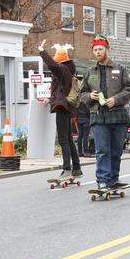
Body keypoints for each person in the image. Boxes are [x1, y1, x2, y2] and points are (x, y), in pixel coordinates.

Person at [78, 34, 130, 191]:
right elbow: (82, 93)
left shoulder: (120, 68)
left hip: (118, 115)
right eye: (95, 50)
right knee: (102, 150)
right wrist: (90, 96)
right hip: (98, 116)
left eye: (100, 49)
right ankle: (102, 180)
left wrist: (116, 99)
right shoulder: (89, 72)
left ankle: (113, 180)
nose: (97, 52)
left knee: (116, 151)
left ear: (107, 49)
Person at [38, 40, 82, 179]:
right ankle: (76, 169)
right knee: (68, 139)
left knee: (63, 139)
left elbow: (51, 65)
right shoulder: (68, 70)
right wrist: (50, 99)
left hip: (63, 107)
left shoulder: (62, 69)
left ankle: (67, 169)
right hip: (66, 106)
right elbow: (60, 90)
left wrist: (41, 51)